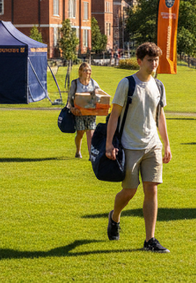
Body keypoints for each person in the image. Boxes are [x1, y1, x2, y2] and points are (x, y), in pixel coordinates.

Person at [105, 42, 172, 253]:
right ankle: (114, 216)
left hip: (153, 146)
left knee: (151, 189)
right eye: (150, 60)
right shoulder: (127, 84)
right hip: (130, 145)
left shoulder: (159, 85)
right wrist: (109, 144)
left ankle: (149, 240)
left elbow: (160, 116)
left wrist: (167, 144)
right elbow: (114, 115)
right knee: (129, 191)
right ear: (139, 61)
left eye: (156, 60)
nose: (154, 64)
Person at [68, 63, 100, 158]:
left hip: (91, 112)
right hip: (79, 112)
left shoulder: (94, 83)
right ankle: (78, 151)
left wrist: (97, 93)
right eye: (85, 70)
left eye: (89, 70)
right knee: (80, 133)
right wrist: (71, 108)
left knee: (90, 133)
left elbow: (100, 96)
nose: (88, 72)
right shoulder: (75, 83)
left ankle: (91, 155)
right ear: (80, 71)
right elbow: (69, 99)